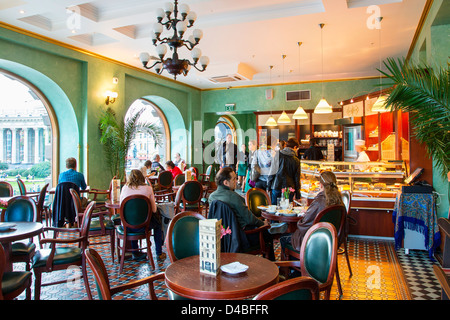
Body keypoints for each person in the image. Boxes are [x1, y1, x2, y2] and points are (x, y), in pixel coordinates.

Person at [208, 167, 275, 260]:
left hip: (221, 238)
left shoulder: (211, 197)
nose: (236, 181)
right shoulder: (234, 197)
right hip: (242, 237)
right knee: (268, 233)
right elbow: (249, 219)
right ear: (225, 183)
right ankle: (271, 267)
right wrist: (262, 223)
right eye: (234, 179)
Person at [280, 171, 343, 252]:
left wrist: (301, 219)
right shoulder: (339, 201)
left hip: (313, 241)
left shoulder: (319, 201)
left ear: (320, 185)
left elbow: (305, 223)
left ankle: (294, 263)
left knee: (283, 238)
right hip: (331, 240)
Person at [119, 169, 165, 260]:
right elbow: (154, 209)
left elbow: (121, 207)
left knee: (133, 219)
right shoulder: (148, 188)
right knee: (158, 225)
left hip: (128, 226)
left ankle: (135, 252)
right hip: (145, 225)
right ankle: (159, 253)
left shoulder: (124, 188)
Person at [267, 138, 301, 205]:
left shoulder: (277, 155)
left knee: (275, 208)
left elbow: (271, 172)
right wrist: (297, 194)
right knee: (287, 210)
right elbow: (297, 178)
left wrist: (268, 186)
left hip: (276, 186)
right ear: (295, 147)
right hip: (289, 189)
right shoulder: (296, 160)